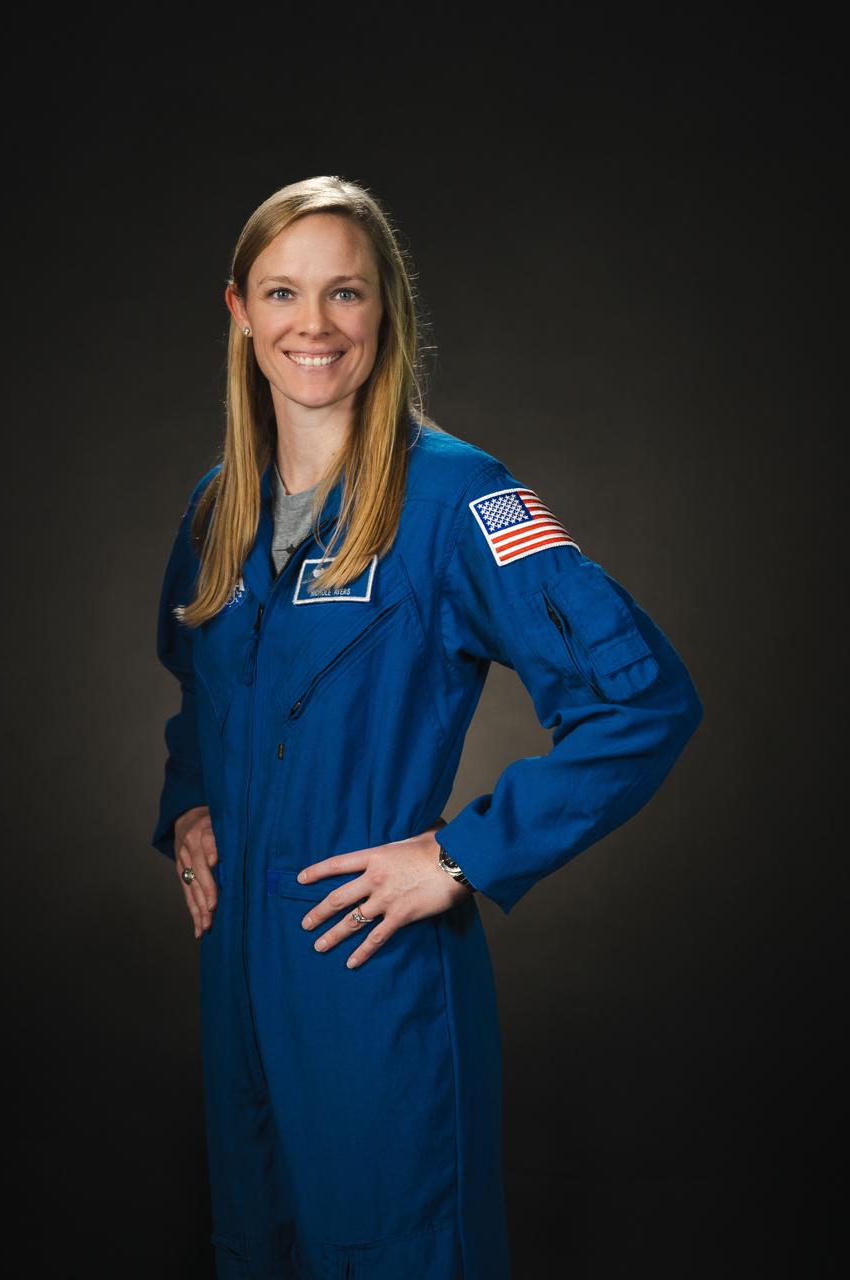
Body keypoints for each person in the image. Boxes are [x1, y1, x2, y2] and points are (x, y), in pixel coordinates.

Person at [151, 175, 703, 1279]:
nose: (313, 324)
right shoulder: (220, 507)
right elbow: (201, 690)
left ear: (385, 310)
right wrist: (192, 803)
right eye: (282, 292)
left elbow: (641, 699)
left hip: (371, 976)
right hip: (240, 983)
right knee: (258, 1248)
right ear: (240, 312)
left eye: (345, 292)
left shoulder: (454, 499)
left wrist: (461, 855)